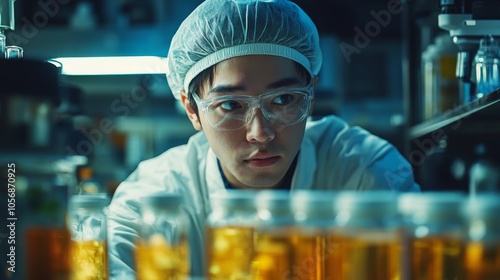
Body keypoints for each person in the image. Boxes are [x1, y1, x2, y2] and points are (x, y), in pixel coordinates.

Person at [107, 0, 420, 278]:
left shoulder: (363, 175)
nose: (261, 133)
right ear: (192, 109)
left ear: (310, 95)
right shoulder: (152, 203)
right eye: (230, 105)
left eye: (283, 100)